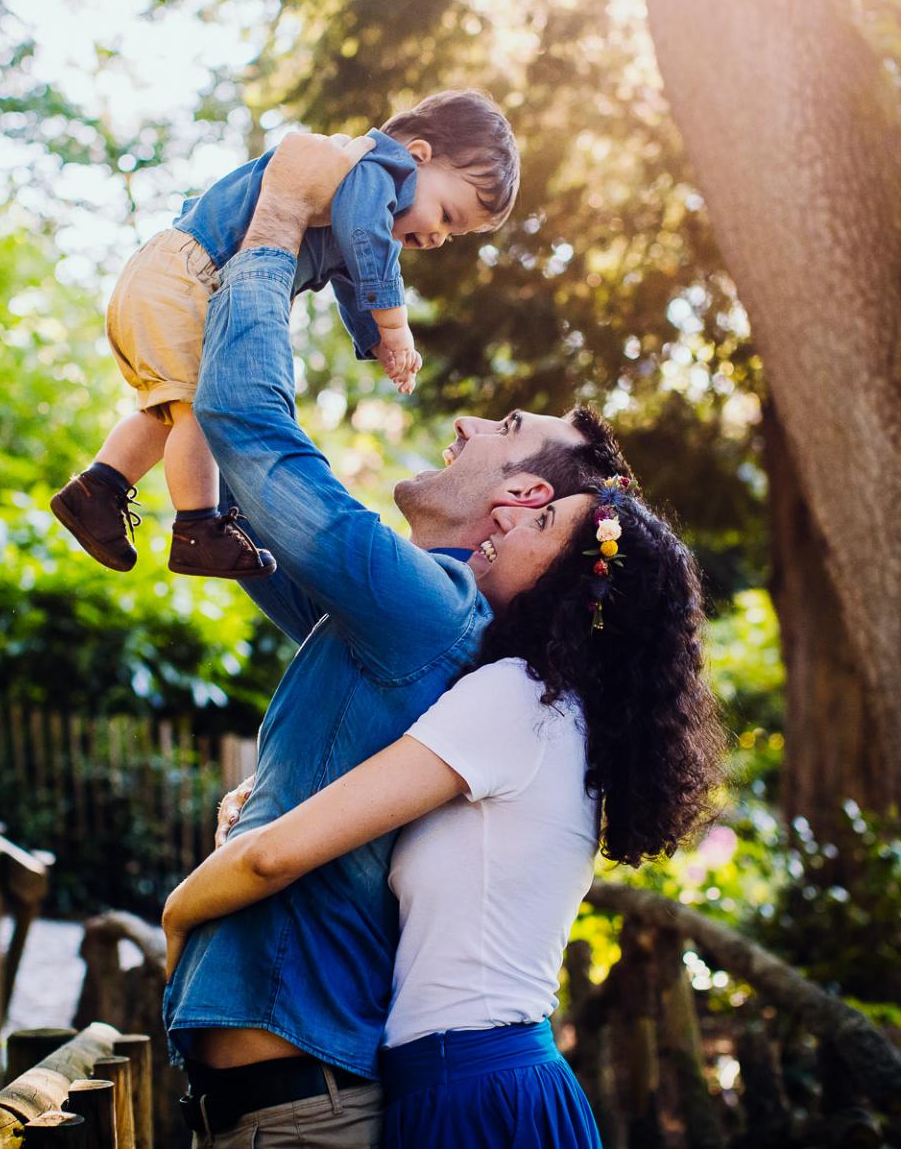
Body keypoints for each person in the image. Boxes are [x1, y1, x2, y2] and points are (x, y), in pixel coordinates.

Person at [157, 130, 631, 1147]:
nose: (465, 420)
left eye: (502, 423)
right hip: (279, 1104)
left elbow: (247, 420)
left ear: (524, 493)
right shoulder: (407, 613)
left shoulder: (424, 606)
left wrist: (282, 213)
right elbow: (247, 499)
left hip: (302, 1109)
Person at [163, 472, 726, 1147]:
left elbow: (273, 856)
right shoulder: (559, 713)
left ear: (573, 591)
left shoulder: (518, 698)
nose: (511, 523)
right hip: (465, 1078)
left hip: (474, 1090)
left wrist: (178, 915)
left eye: (542, 525)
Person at [51, 90, 519, 581]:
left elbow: (351, 280)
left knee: (174, 409)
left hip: (176, 274)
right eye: (446, 214)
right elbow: (369, 244)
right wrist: (394, 324)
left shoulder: (357, 196)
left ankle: (96, 491)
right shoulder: (372, 168)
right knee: (202, 409)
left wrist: (374, 339)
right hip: (191, 273)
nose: (439, 238)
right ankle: (197, 529)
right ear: (417, 156)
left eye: (454, 234)